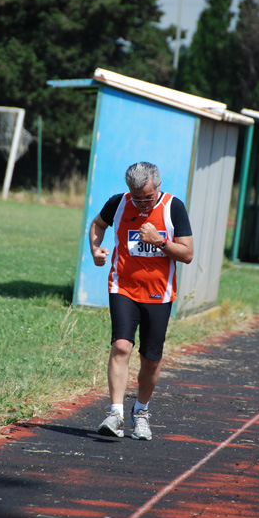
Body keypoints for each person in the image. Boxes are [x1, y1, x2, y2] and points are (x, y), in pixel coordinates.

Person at [89, 161, 193, 440]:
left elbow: (187, 254)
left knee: (151, 360)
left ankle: (141, 412)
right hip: (122, 286)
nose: (142, 203)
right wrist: (95, 249)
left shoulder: (174, 207)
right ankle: (115, 414)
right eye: (137, 198)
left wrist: (159, 241)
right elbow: (98, 224)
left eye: (147, 197)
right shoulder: (118, 203)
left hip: (159, 294)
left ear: (158, 186)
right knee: (121, 346)